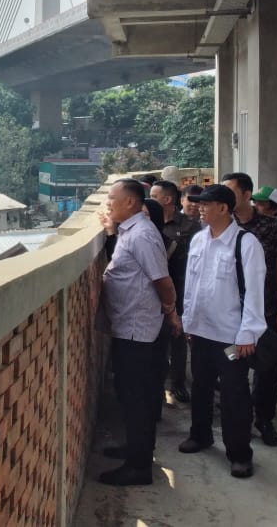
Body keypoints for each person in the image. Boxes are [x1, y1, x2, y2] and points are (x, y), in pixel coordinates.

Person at [179, 184, 267, 478]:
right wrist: (188, 322)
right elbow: (191, 286)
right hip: (202, 332)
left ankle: (239, 454)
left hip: (231, 337)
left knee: (234, 394)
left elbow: (255, 292)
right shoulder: (199, 240)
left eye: (207, 204)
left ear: (224, 209)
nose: (200, 208)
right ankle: (200, 435)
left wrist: (247, 335)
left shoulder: (245, 243)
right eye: (199, 204)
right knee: (201, 387)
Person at [98, 179, 180, 486]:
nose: (107, 203)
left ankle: (139, 466)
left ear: (131, 202)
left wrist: (170, 310)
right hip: (128, 326)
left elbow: (162, 281)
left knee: (137, 398)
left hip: (139, 331)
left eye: (111, 198)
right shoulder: (129, 232)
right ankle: (136, 449)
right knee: (130, 395)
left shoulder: (143, 235)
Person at [221, 173, 277, 446]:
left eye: (231, 191)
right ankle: (236, 418)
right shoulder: (221, 226)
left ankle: (264, 419)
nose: (226, 197)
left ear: (246, 194)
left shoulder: (271, 228)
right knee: (231, 365)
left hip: (265, 313)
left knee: (266, 370)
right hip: (229, 315)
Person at [151, 180, 198, 403]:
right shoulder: (150, 224)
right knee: (157, 340)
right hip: (154, 290)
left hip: (181, 288)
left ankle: (178, 384)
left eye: (154, 195)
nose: (149, 200)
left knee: (178, 338)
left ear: (167, 199)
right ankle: (159, 386)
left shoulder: (190, 226)